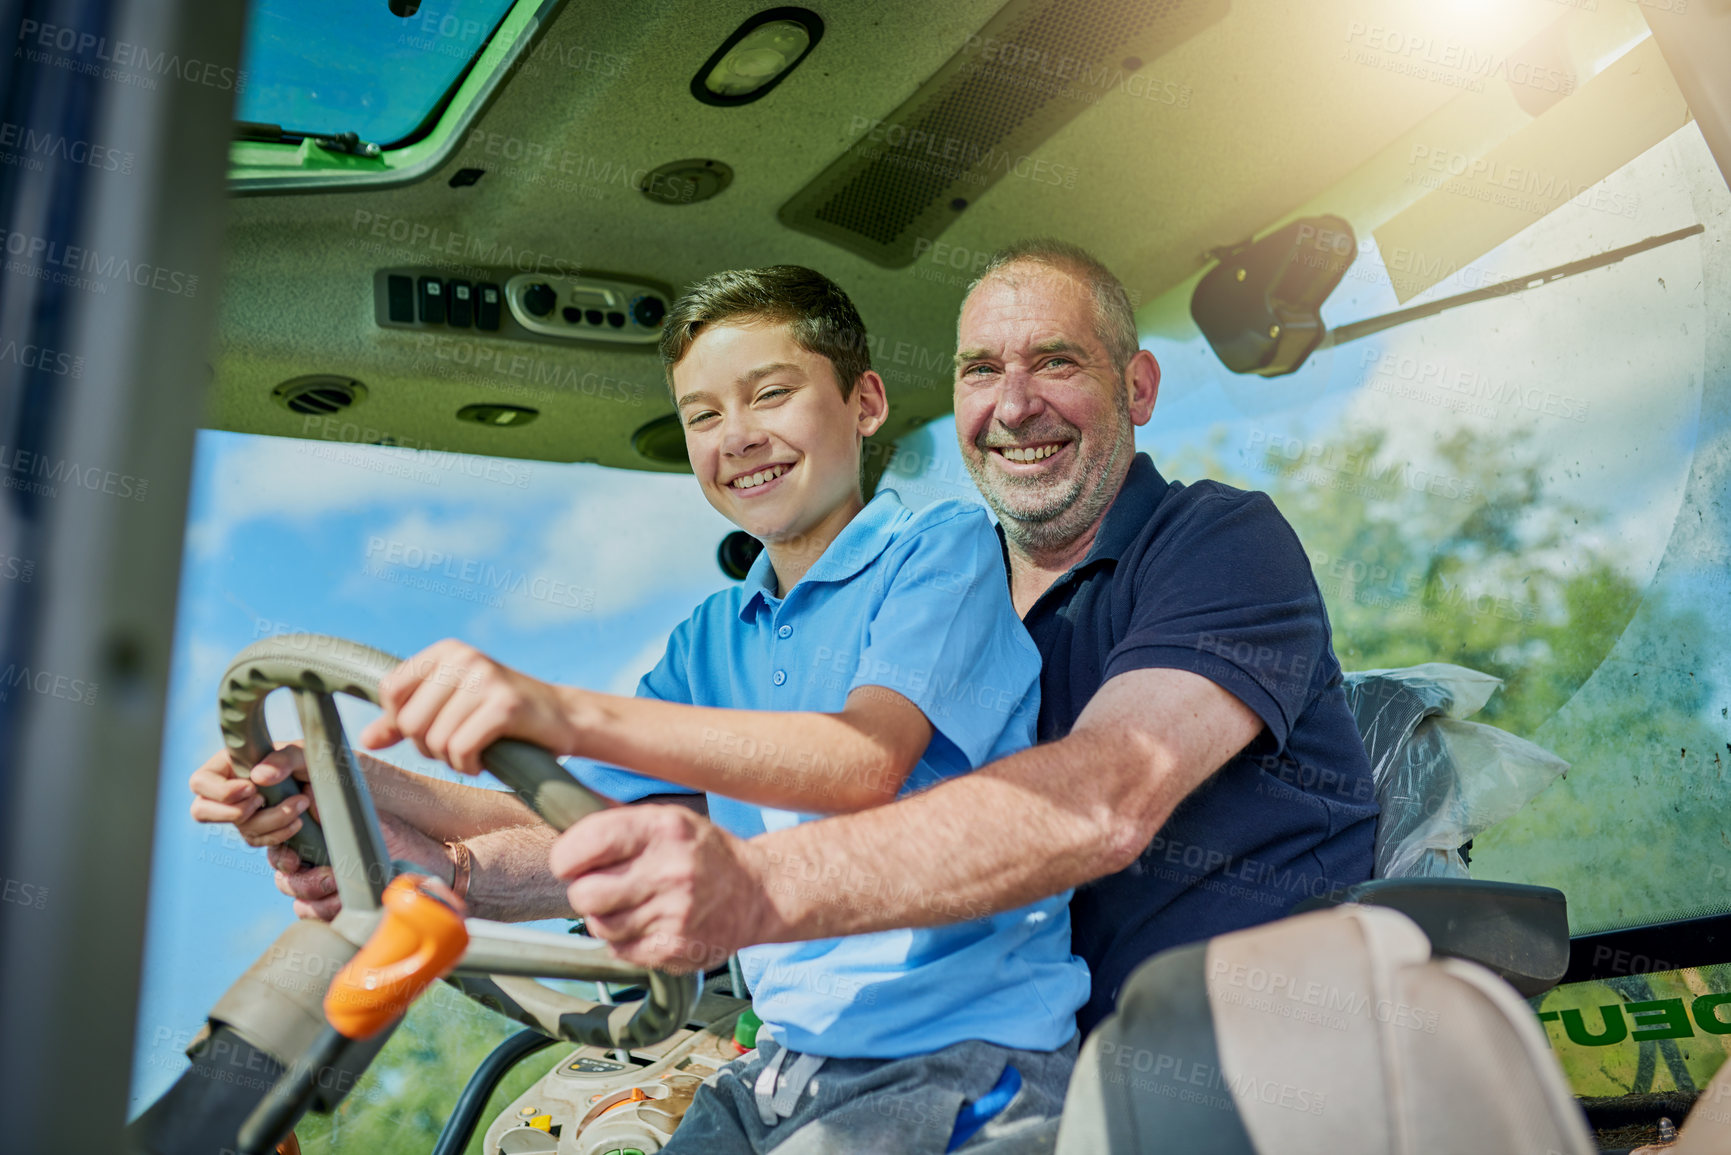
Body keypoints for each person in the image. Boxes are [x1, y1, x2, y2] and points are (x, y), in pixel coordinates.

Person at [195, 238, 1376, 1037]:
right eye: (980, 370)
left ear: (1138, 388)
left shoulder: (1209, 546)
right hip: (901, 1054)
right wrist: (365, 803)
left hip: (1234, 1054)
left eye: (1056, 362)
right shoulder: (768, 625)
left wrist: (742, 889)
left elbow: (1102, 798)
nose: (1014, 403)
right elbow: (562, 816)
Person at [193, 265, 1085, 1153]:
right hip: (784, 1065)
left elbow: (860, 762)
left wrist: (554, 707)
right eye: (702, 416)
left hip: (951, 1061)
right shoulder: (711, 637)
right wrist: (356, 789)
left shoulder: (939, 552)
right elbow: (561, 814)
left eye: (769, 394)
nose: (735, 437)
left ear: (865, 402)